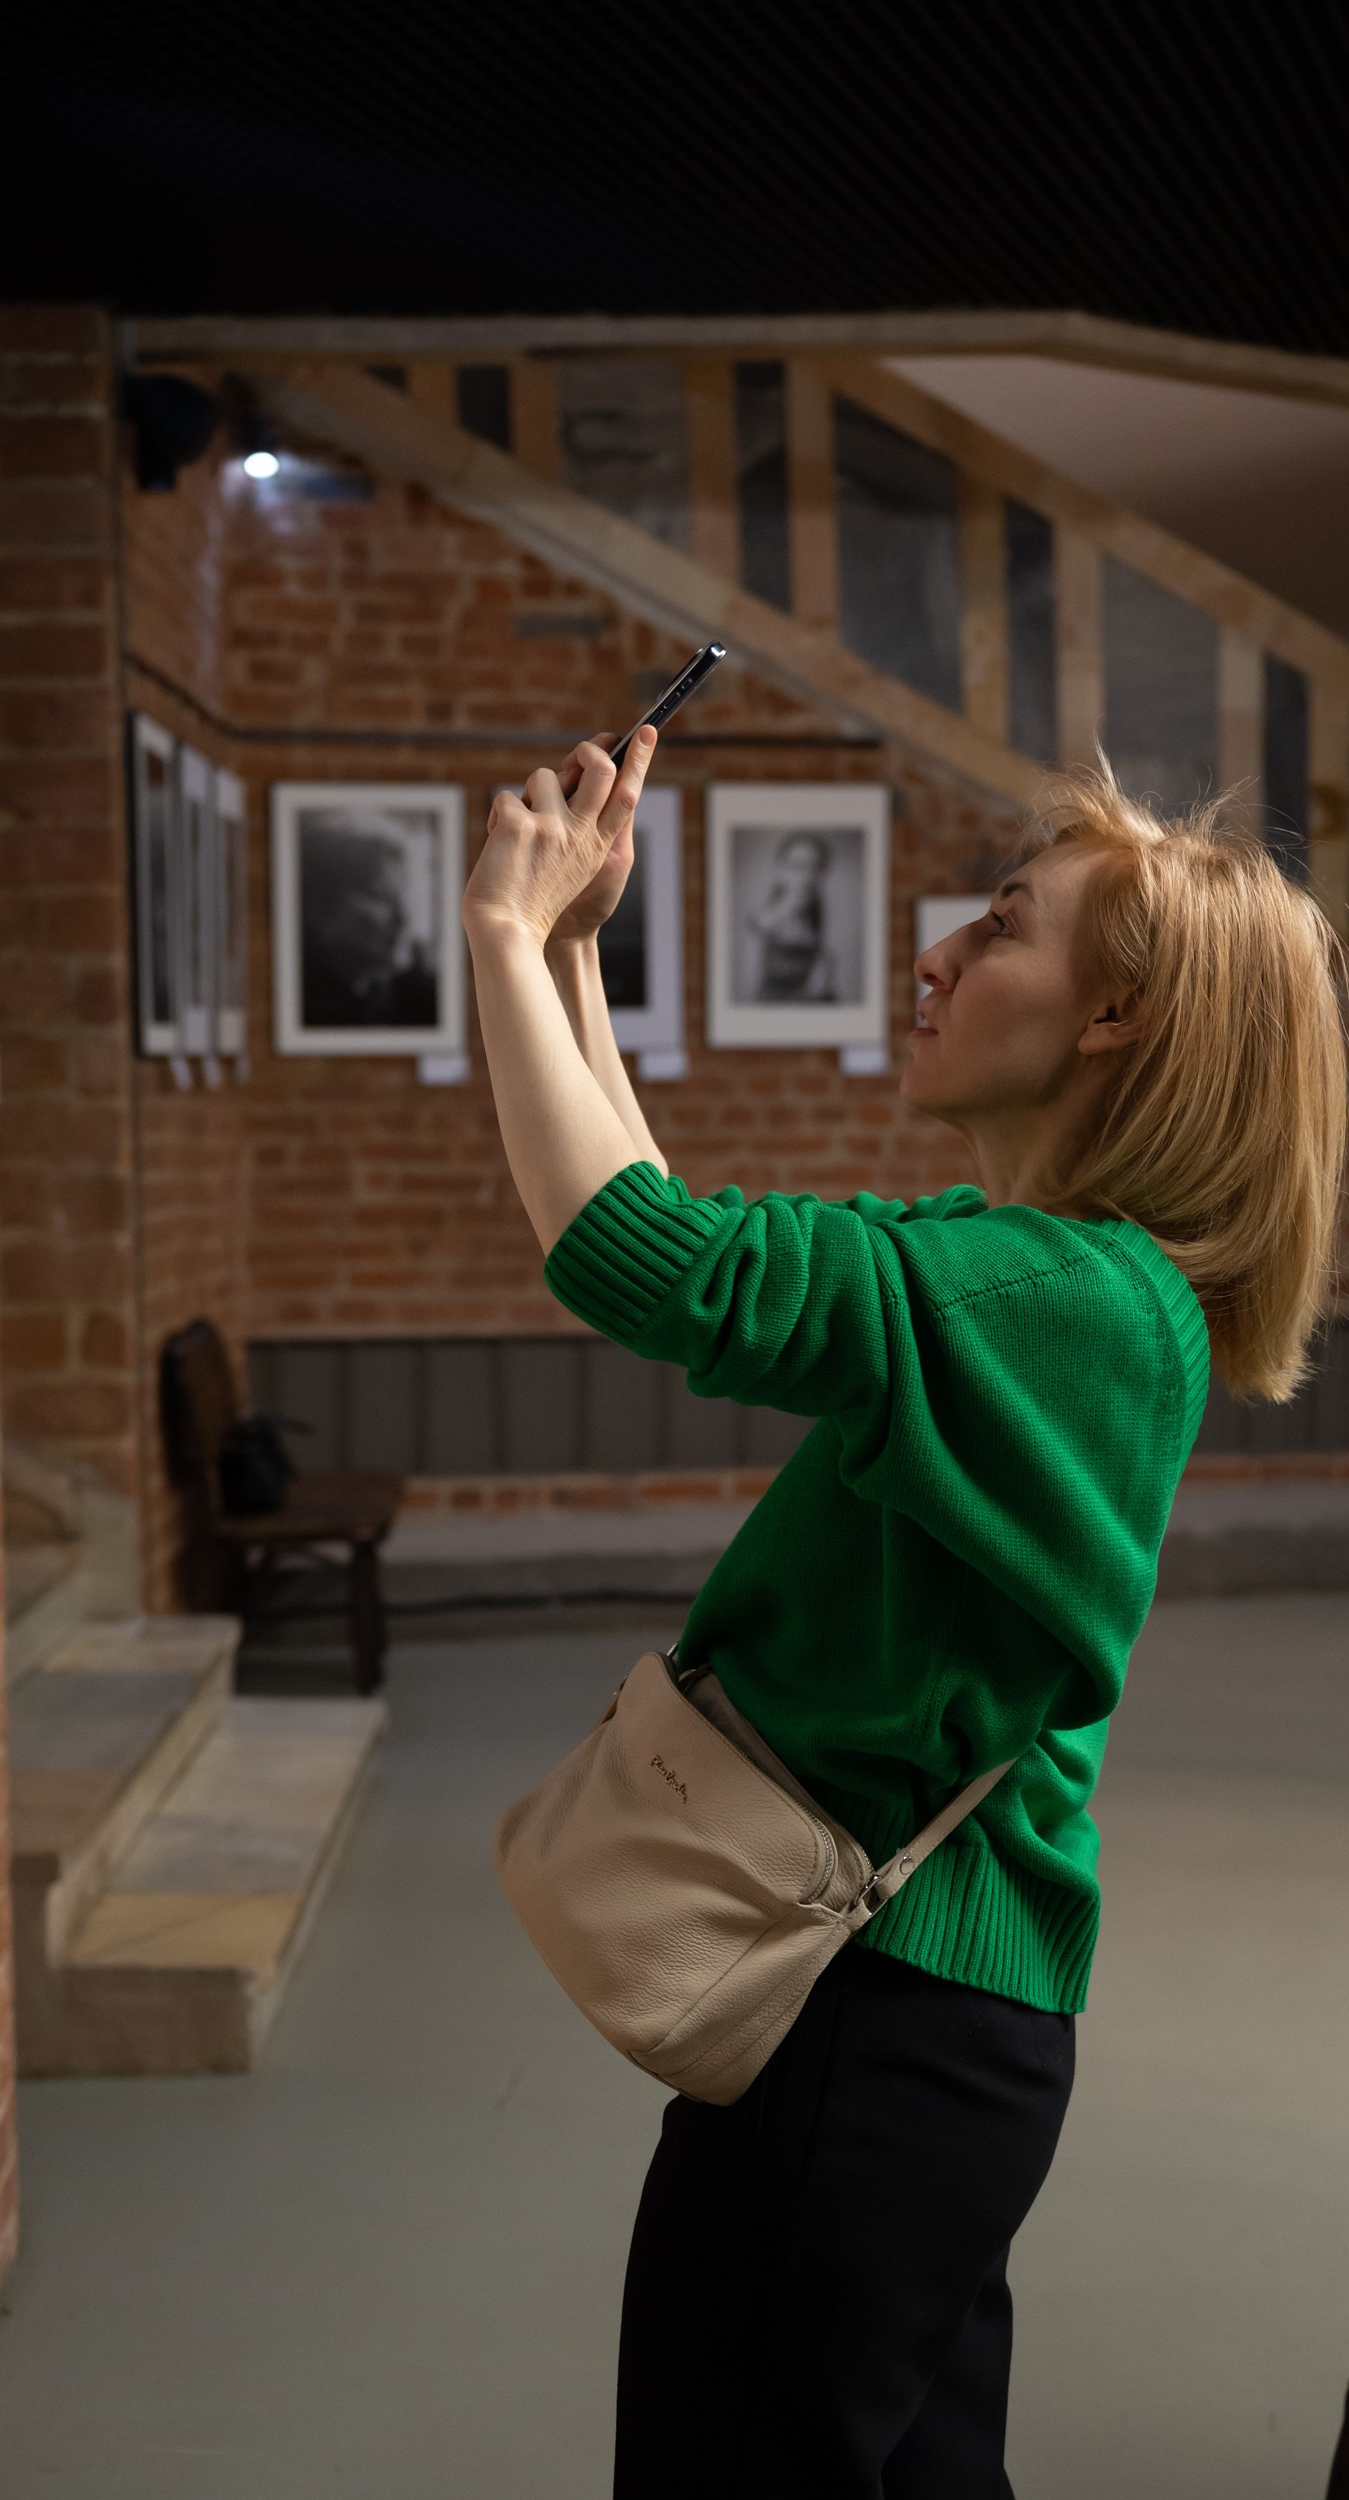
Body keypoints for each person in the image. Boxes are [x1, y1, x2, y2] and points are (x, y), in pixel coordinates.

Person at [463, 731, 1346, 2500]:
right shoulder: (1048, 1276)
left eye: (1000, 929)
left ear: (1111, 1020)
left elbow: (639, 1263)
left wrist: (494, 928)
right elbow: (680, 1227)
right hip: (930, 2030)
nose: (934, 958)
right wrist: (572, 955)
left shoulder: (1045, 1296)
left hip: (865, 2024)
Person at [299, 818, 436, 1027]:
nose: (403, 917)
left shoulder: (421, 999)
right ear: (319, 908)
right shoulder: (301, 1003)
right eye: (380, 896)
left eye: (404, 897)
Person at [748, 826, 837, 1000]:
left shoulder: (813, 912)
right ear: (780, 869)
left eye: (815, 867)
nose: (806, 875)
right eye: (797, 866)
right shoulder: (768, 916)